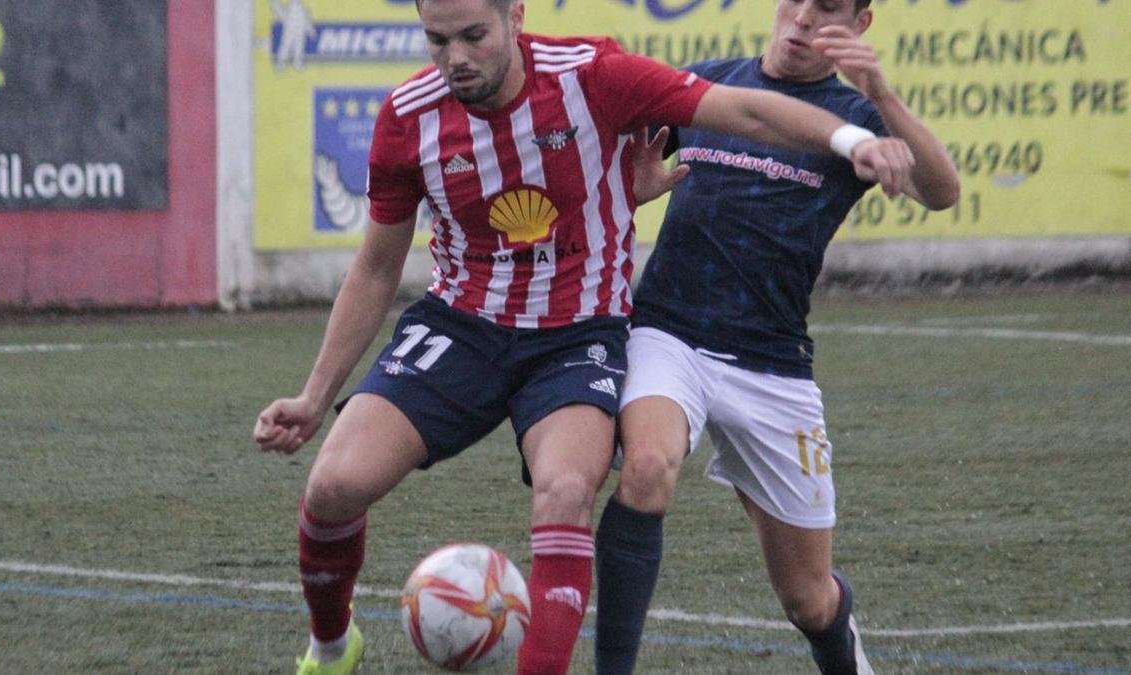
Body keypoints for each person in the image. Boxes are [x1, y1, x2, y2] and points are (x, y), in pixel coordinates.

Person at [252, 0, 915, 673]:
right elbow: (375, 268)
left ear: (515, 17)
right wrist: (314, 395)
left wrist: (853, 141)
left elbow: (746, 110)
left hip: (577, 338)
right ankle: (333, 648)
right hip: (462, 326)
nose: (456, 58)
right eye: (438, 39)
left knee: (567, 490)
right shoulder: (409, 117)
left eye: (474, 36)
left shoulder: (591, 73)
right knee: (333, 485)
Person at [593, 1, 962, 673]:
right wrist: (629, 191)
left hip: (773, 363)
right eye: (794, 1)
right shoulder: (706, 85)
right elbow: (599, 166)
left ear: (859, 24)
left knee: (808, 600)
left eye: (825, 10)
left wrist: (879, 92)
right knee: (646, 469)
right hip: (666, 332)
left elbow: (941, 190)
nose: (801, 19)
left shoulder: (859, 122)